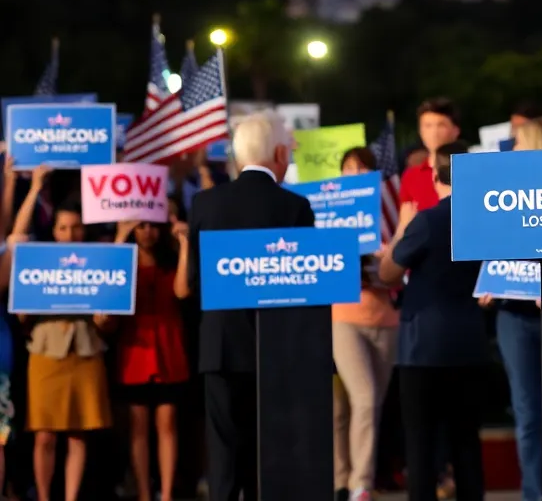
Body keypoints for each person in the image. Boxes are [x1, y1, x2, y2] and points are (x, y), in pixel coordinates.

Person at [188, 112, 316, 501]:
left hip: (221, 349)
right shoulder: (294, 207)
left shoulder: (205, 204)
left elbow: (195, 280)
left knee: (225, 456)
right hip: (276, 352)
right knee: (269, 456)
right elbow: (306, 285)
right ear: (278, 153)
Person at [380, 142, 488, 501]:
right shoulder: (486, 220)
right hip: (470, 345)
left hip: (422, 349)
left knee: (420, 446)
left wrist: (401, 230)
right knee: (466, 443)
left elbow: (388, 273)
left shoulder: (426, 221)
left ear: (436, 175)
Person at [9, 172, 112, 501]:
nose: (71, 234)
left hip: (85, 351)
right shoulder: (37, 260)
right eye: (64, 227)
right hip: (45, 353)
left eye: (77, 227)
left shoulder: (101, 260)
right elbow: (16, 238)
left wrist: (104, 316)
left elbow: (108, 323)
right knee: (44, 436)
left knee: (79, 435)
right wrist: (35, 186)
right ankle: (43, 496)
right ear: (53, 231)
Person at [477, 118, 542, 501]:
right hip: (513, 315)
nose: (512, 150)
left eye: (520, 143)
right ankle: (536, 495)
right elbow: (492, 244)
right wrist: (489, 281)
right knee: (527, 413)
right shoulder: (504, 190)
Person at [332, 147, 399, 501]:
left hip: (386, 319)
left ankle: (345, 482)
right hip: (342, 319)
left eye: (362, 170)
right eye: (348, 169)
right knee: (361, 401)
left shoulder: (388, 209)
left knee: (362, 405)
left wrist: (386, 256)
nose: (355, 175)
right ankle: (358, 484)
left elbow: (402, 264)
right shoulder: (325, 215)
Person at [114, 208, 192, 501]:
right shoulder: (126, 263)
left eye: (152, 226)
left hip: (169, 351)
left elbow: (182, 292)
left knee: (168, 422)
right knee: (138, 428)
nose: (147, 231)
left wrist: (183, 243)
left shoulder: (169, 262)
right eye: (141, 226)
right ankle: (145, 494)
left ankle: (168, 494)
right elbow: (109, 281)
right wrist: (120, 236)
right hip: (135, 351)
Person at [398, 99, 461, 227]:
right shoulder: (410, 177)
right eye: (428, 126)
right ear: (420, 132)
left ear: (455, 130)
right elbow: (403, 227)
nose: (434, 133)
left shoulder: (472, 168)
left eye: (441, 125)